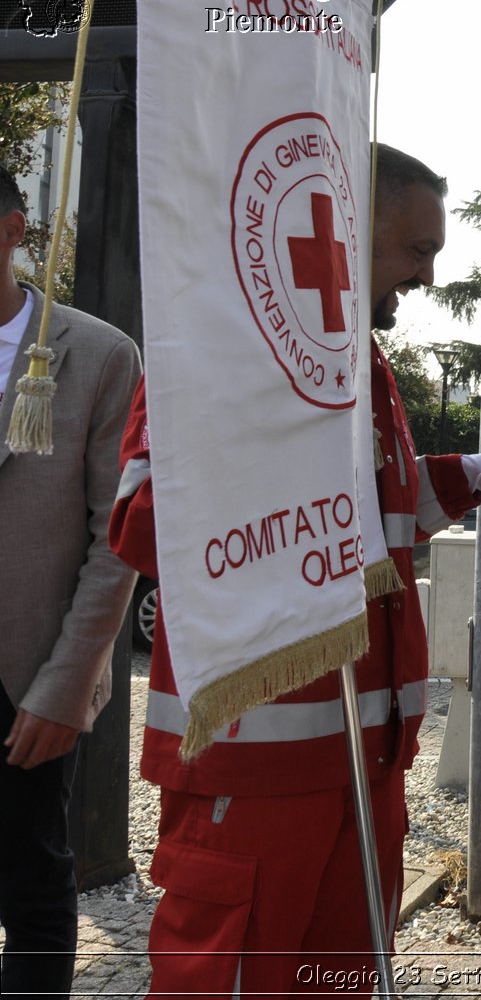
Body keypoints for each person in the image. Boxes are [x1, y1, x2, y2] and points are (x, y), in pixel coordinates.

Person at [111, 144, 481, 996]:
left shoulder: (361, 360)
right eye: (416, 250)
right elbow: (139, 523)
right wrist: (285, 466)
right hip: (254, 768)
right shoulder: (218, 343)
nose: (425, 278)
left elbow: (374, 520)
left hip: (365, 759)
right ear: (343, 227)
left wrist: (471, 477)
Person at [0, 165, 141, 997]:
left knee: (33, 883)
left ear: (14, 229)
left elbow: (114, 539)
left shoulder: (95, 354)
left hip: (25, 671)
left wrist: (67, 684)